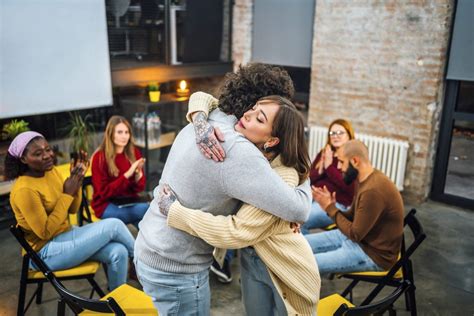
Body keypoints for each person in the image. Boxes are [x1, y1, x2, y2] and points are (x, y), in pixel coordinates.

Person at [134, 63, 312, 315]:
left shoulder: (211, 119)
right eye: (260, 109)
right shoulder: (238, 150)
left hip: (148, 246)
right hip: (177, 269)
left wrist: (198, 116)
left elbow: (203, 98)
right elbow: (299, 208)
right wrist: (302, 166)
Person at [5, 131, 135, 290]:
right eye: (38, 153)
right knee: (114, 225)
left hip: (66, 234)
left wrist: (77, 182)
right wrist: (67, 193)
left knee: (119, 251)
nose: (47, 156)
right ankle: (143, 263)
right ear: (23, 159)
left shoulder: (51, 171)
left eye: (48, 149)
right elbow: (45, 232)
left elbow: (73, 209)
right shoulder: (24, 190)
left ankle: (118, 302)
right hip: (45, 253)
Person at [305, 140, 404, 275]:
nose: (339, 167)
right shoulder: (365, 179)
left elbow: (355, 234)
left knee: (304, 266)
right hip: (360, 240)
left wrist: (329, 208)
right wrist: (330, 206)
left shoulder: (373, 191)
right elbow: (353, 218)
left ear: (355, 161)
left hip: (373, 254)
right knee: (300, 245)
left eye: (341, 162)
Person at [91, 115, 148, 228]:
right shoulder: (100, 158)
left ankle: (142, 244)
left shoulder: (133, 152)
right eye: (120, 132)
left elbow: (139, 188)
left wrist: (137, 178)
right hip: (106, 205)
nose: (124, 136)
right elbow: (103, 193)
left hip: (129, 201)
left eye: (127, 132)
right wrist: (127, 174)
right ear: (111, 134)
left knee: (145, 224)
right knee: (148, 210)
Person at [301, 119, 356, 234]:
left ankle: (300, 251)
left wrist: (329, 166)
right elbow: (309, 178)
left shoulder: (352, 158)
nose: (336, 136)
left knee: (301, 218)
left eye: (340, 133)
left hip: (337, 204)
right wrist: (320, 170)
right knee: (291, 209)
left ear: (349, 135)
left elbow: (350, 189)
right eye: (332, 133)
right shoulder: (325, 152)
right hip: (314, 196)